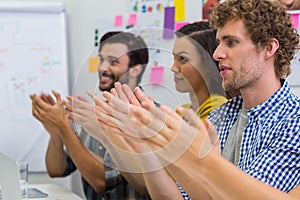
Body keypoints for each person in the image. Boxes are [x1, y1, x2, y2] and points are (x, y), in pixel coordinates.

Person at [90, 0, 300, 199]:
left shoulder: (293, 122)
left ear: (268, 48)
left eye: (231, 42)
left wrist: (203, 163)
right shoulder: (220, 116)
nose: (217, 54)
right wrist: (145, 143)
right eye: (219, 43)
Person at [30, 31, 150, 200]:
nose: (102, 67)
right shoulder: (92, 114)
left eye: (113, 61)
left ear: (135, 70)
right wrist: (56, 131)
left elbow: (102, 182)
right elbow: (56, 170)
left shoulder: (147, 119)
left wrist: (65, 128)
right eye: (101, 59)